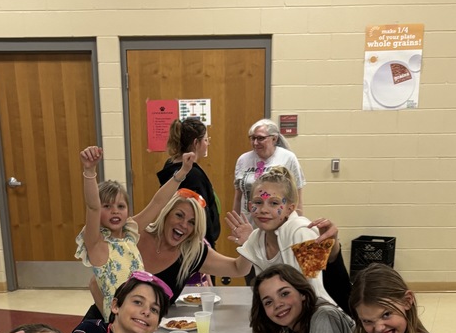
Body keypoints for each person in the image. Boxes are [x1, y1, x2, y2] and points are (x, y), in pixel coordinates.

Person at [74, 145, 197, 320]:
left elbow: (157, 202)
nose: (115, 211)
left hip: (140, 317)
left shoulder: (130, 235)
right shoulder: (96, 244)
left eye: (121, 206)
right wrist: (89, 170)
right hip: (118, 323)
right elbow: (92, 206)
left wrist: (182, 173)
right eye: (107, 206)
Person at [233, 166, 342, 305]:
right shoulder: (257, 238)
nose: (264, 210)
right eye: (258, 202)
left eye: (274, 203)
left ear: (289, 209)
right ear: (249, 206)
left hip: (319, 318)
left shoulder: (303, 232)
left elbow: (315, 292)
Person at [136, 186, 252, 299]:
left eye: (192, 222)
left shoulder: (193, 253)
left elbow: (238, 269)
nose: (184, 225)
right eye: (179, 215)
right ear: (166, 214)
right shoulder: (136, 236)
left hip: (164, 319)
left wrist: (248, 244)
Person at [156, 117, 220, 249]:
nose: (208, 144)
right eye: (206, 140)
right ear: (196, 143)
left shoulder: (171, 165)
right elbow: (201, 215)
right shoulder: (192, 175)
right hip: (193, 244)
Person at [232, 118, 305, 224]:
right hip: (249, 222)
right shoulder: (243, 159)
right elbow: (238, 197)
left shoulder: (288, 158)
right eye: (252, 138)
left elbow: (297, 197)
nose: (255, 143)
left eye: (260, 138)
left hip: (278, 222)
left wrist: (297, 224)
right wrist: (236, 223)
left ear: (274, 139)